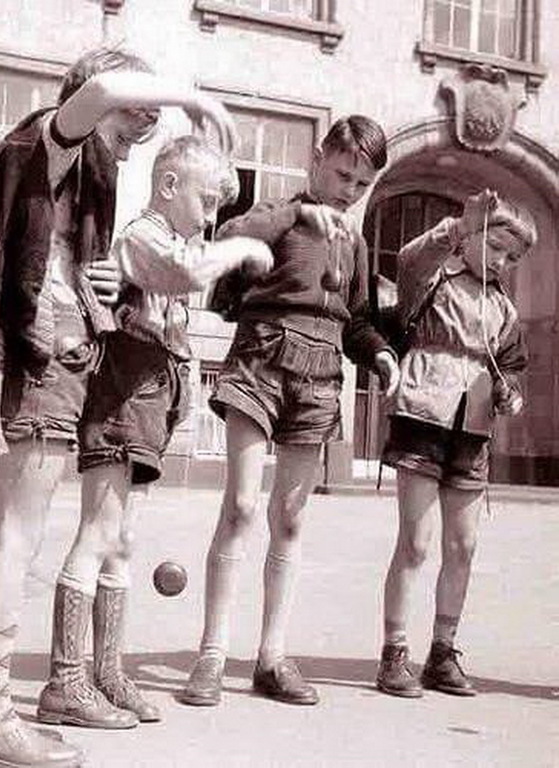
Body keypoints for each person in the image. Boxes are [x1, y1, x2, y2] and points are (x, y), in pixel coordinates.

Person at [0, 43, 239, 768]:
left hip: (26, 364)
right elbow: (101, 91)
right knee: (12, 537)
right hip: (38, 367)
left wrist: (94, 284)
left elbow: (43, 256)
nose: (141, 130)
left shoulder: (70, 175)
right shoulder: (51, 139)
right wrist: (193, 99)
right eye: (136, 115)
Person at [36, 135, 273, 727]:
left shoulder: (170, 240)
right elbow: (185, 273)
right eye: (206, 201)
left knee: (122, 541)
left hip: (148, 401)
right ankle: (66, 680)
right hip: (121, 397)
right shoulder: (144, 237)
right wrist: (242, 246)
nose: (210, 218)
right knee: (98, 533)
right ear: (169, 185)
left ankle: (107, 672)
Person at [179, 115, 400, 707]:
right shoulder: (280, 213)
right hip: (261, 362)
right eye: (342, 175)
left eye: (361, 184)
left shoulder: (355, 243)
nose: (349, 191)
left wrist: (379, 354)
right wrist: (299, 214)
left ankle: (271, 658)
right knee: (241, 506)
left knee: (291, 518)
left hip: (321, 377)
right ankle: (211, 653)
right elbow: (230, 236)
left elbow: (355, 321)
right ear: (317, 160)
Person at [375, 190, 536, 699]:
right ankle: (394, 652)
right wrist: (458, 225)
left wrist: (510, 394)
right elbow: (409, 260)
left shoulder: (503, 307)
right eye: (496, 247)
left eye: (512, 257)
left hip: (472, 431)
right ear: (470, 239)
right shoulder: (433, 277)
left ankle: (442, 653)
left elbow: (511, 367)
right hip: (423, 417)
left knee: (463, 545)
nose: (502, 262)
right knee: (416, 542)